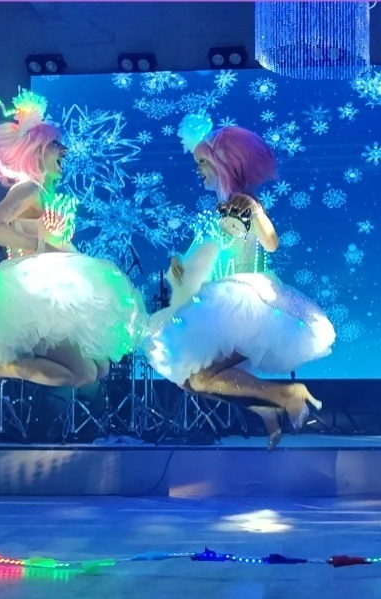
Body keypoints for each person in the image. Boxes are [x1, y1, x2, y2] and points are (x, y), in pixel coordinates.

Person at [0, 89, 146, 406]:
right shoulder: (28, 190)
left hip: (58, 287)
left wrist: (78, 260)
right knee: (83, 373)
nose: (64, 150)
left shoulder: (49, 195)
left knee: (100, 368)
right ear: (38, 151)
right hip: (34, 292)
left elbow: (56, 242)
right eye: (56, 144)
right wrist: (36, 245)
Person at [143, 113, 336, 450]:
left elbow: (271, 243)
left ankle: (286, 395)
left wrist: (255, 211)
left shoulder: (244, 201)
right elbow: (209, 254)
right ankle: (266, 407)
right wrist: (180, 264)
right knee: (190, 379)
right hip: (218, 302)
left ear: (221, 164)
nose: (198, 170)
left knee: (199, 378)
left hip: (242, 303)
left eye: (202, 162)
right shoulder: (219, 207)